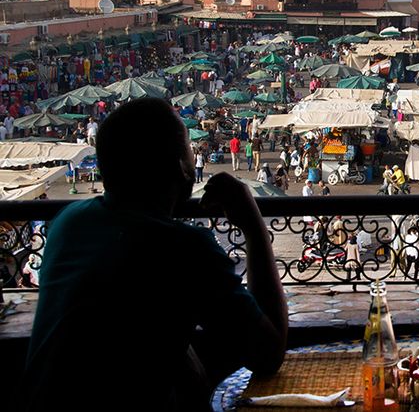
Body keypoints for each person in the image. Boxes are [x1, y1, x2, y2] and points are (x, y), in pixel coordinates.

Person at [21, 98, 287, 411]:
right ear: (181, 166)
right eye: (189, 147)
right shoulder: (183, 247)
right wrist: (253, 225)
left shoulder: (68, 221)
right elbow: (268, 353)